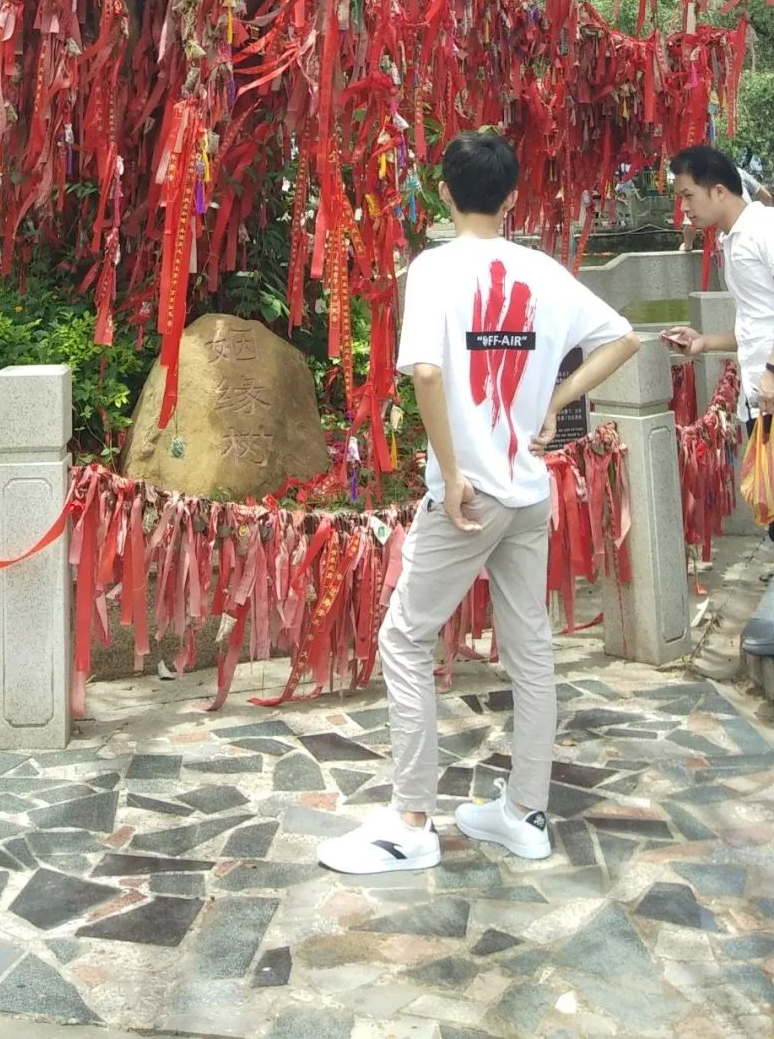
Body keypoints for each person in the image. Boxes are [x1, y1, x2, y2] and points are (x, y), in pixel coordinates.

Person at [319, 133, 639, 877]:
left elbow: (425, 371)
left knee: (404, 637)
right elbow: (624, 337)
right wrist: (557, 399)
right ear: (513, 197)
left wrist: (454, 469)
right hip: (528, 490)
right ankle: (524, 812)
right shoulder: (543, 271)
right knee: (530, 648)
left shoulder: (433, 268)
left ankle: (410, 821)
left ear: (441, 191)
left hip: (469, 497)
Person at [662, 144, 774, 578]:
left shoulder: (763, 231)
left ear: (721, 190)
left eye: (689, 196)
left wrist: (770, 372)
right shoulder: (736, 238)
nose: (684, 208)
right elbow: (756, 324)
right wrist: (705, 342)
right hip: (759, 399)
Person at [679, 159, 772, 253]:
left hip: (728, 245)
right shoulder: (738, 172)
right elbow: (766, 197)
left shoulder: (696, 182)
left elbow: (690, 225)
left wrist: (687, 245)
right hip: (748, 233)